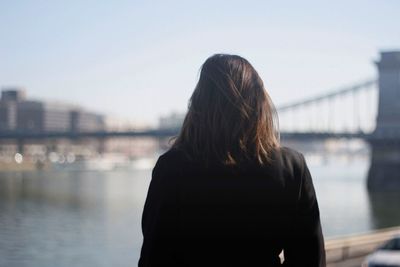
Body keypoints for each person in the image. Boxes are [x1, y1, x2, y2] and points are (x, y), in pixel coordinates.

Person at [138, 54, 326, 266]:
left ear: (198, 104)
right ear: (258, 104)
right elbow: (309, 260)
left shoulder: (171, 168)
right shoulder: (292, 168)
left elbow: (154, 258)